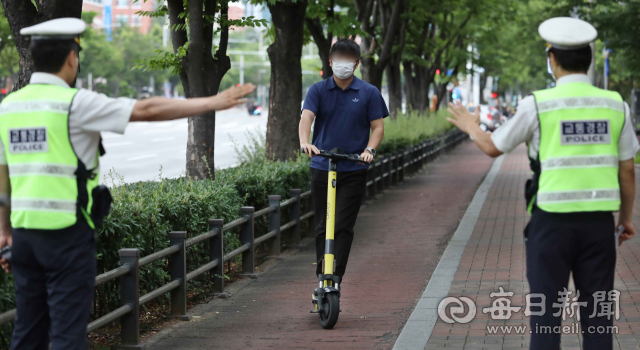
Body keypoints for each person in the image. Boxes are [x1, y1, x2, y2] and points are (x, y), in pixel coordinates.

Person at [0, 18, 255, 350]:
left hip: (23, 237)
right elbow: (146, 109)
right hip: (66, 236)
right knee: (66, 334)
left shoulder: (9, 107)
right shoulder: (75, 103)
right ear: (71, 58)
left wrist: (4, 231)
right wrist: (212, 102)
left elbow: (3, 176)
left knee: (28, 331)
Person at [446, 17, 638, 350]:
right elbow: (627, 171)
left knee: (546, 322)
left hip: (551, 227)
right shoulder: (615, 105)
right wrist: (625, 221)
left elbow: (493, 147)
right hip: (599, 227)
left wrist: (471, 127)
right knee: (598, 323)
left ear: (551, 59)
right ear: (589, 60)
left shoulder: (537, 104)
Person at [299, 39, 388, 287]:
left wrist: (369, 150)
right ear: (330, 62)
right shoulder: (317, 90)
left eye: (349, 59)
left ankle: (335, 276)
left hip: (353, 167)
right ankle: (322, 276)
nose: (343, 64)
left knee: (343, 226)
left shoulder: (369, 92)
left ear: (357, 63)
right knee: (322, 225)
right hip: (322, 166)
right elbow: (307, 117)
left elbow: (378, 127)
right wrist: (305, 142)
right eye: (338, 59)